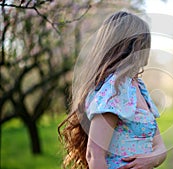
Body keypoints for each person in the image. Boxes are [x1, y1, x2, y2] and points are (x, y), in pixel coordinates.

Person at [58, 11, 167, 169]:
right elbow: (94, 155)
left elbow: (160, 146)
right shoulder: (114, 89)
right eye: (144, 44)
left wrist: (152, 159)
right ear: (131, 46)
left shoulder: (137, 86)